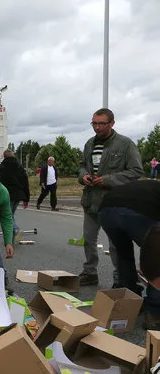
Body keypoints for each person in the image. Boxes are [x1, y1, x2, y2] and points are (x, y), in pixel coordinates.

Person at [77, 108, 143, 287]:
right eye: (94, 123)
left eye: (101, 124)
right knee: (88, 241)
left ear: (112, 123)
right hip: (90, 202)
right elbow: (83, 165)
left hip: (114, 204)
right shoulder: (90, 143)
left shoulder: (125, 144)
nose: (97, 128)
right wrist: (83, 176)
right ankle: (90, 273)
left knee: (116, 246)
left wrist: (108, 180)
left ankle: (119, 279)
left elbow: (136, 171)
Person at [98, 180, 160, 330]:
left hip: (106, 210)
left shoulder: (150, 187)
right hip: (137, 212)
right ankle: (154, 312)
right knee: (157, 256)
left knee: (124, 255)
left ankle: (130, 301)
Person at [0, 149, 30, 243]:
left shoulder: (2, 167)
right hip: (19, 195)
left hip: (7, 194)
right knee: (11, 214)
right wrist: (26, 199)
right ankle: (13, 235)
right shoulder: (19, 166)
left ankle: (15, 230)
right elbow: (25, 182)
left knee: (7, 215)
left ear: (4, 156)